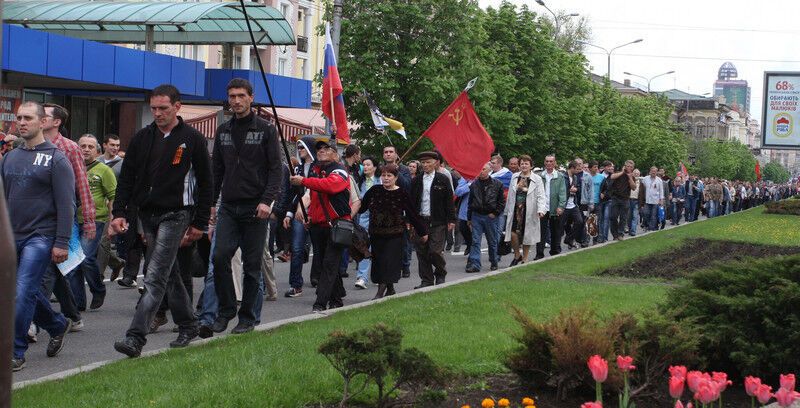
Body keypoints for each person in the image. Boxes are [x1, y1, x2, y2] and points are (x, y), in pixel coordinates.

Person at [110, 84, 213, 357]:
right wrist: (119, 212)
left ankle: (135, 338)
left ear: (177, 107)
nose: (157, 113)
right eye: (154, 108)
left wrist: (200, 223)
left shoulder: (193, 138)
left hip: (177, 213)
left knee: (155, 275)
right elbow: (127, 179)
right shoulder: (142, 138)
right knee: (170, 274)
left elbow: (207, 183)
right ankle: (189, 324)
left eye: (163, 108)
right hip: (147, 213)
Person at [3, 101, 75, 372]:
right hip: (11, 236)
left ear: (42, 122)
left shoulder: (56, 158)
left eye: (28, 118)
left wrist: (62, 242)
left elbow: (67, 204)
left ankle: (15, 351)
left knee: (21, 292)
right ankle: (57, 325)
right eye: (19, 117)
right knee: (24, 291)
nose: (21, 122)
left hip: (40, 237)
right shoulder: (10, 157)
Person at [209, 78, 282, 335]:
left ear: (251, 97)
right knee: (219, 258)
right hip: (228, 205)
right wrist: (210, 204)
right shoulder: (223, 131)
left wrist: (267, 201)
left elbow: (276, 170)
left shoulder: (266, 129)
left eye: (241, 96)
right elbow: (216, 171)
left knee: (252, 266)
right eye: (232, 96)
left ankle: (248, 318)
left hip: (256, 207)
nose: (236, 101)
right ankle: (226, 309)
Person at [289, 139, 351, 312]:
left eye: (326, 148)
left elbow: (331, 186)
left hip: (337, 225)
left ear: (335, 153)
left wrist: (304, 181)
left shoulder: (340, 171)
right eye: (319, 149)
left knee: (329, 264)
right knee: (327, 263)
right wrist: (311, 217)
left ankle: (320, 303)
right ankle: (337, 298)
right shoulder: (316, 172)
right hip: (318, 226)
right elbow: (316, 200)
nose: (322, 151)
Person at [359, 164, 428, 299]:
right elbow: (361, 207)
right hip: (376, 234)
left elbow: (413, 214)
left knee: (388, 262)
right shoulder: (374, 190)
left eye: (389, 175)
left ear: (396, 178)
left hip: (395, 235)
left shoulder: (401, 193)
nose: (385, 178)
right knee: (379, 262)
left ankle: (380, 292)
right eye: (383, 175)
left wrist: (422, 231)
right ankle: (390, 289)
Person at [66, 134, 116, 311]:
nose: (86, 149)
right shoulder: (70, 167)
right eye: (83, 146)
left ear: (97, 150)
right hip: (72, 220)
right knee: (73, 264)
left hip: (95, 220)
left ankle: (98, 289)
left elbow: (113, 197)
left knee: (86, 258)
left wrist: (112, 223)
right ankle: (78, 304)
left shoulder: (104, 170)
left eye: (90, 147)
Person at [410, 151, 455, 288]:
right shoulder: (416, 180)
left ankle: (440, 273)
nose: (425, 165)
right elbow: (411, 201)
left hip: (438, 221)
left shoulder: (443, 179)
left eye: (428, 162)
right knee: (421, 252)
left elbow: (449, 201)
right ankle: (426, 280)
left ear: (435, 163)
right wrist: (409, 220)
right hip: (420, 220)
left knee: (435, 251)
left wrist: (451, 220)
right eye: (423, 163)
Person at [282, 136, 317, 297]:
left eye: (302, 147)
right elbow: (293, 194)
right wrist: (289, 213)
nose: (300, 151)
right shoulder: (297, 169)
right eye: (299, 148)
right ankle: (295, 285)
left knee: (320, 249)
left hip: (316, 213)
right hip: (298, 213)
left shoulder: (319, 169)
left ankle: (322, 280)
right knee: (296, 248)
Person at [504, 155, 546, 266]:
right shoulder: (514, 177)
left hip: (529, 210)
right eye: (522, 163)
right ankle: (517, 254)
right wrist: (507, 210)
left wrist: (541, 209)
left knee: (527, 234)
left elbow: (541, 195)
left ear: (531, 166)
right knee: (512, 233)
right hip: (515, 209)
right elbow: (510, 195)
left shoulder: (537, 179)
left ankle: (525, 258)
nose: (524, 165)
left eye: (526, 163)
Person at [465, 162, 505, 273]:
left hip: (490, 216)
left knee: (492, 241)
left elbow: (501, 202)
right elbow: (470, 202)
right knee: (475, 241)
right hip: (477, 215)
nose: (481, 172)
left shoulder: (497, 184)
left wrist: (495, 213)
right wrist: (469, 218)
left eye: (483, 169)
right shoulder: (474, 184)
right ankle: (475, 264)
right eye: (479, 169)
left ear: (489, 170)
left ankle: (494, 260)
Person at [382, 144, 413, 278]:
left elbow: (407, 185)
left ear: (396, 155)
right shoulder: (380, 168)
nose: (388, 154)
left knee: (402, 240)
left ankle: (405, 265)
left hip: (400, 209)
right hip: (383, 209)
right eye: (386, 152)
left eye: (391, 152)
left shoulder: (404, 169)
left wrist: (396, 173)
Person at [354, 157, 380, 290]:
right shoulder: (359, 182)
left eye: (368, 164)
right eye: (363, 165)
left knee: (378, 247)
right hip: (363, 218)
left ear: (375, 167)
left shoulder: (381, 180)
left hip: (379, 218)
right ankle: (362, 277)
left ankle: (379, 275)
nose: (365, 167)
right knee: (365, 247)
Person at [535, 155, 566, 260]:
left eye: (551, 161)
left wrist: (561, 206)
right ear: (544, 162)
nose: (549, 163)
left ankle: (555, 252)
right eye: (547, 161)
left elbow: (562, 192)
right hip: (542, 208)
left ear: (554, 163)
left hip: (554, 207)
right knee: (541, 232)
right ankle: (539, 254)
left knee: (555, 231)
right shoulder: (539, 176)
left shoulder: (560, 176)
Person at [607, 160, 637, 240]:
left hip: (625, 199)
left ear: (633, 168)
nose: (629, 168)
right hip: (615, 198)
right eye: (628, 166)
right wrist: (622, 172)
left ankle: (620, 234)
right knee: (613, 217)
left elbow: (633, 187)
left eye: (631, 167)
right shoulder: (618, 173)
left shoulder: (632, 177)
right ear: (625, 166)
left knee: (623, 218)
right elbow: (612, 177)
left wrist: (630, 177)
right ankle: (615, 234)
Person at [562, 160, 586, 249]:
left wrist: (576, 189)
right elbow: (561, 190)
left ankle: (569, 238)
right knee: (561, 225)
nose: (578, 171)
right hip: (564, 204)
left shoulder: (575, 177)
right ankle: (556, 247)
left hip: (573, 204)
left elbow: (577, 188)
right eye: (577, 169)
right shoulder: (563, 177)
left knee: (579, 222)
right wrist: (569, 190)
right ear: (572, 168)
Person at [641, 166, 664, 231]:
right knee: (645, 213)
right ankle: (648, 225)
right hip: (647, 200)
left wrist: (661, 200)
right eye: (652, 171)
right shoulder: (645, 179)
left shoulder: (659, 180)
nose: (653, 172)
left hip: (655, 201)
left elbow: (661, 191)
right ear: (650, 172)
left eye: (655, 171)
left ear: (657, 172)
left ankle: (651, 229)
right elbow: (641, 187)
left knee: (653, 215)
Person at [627, 169, 641, 236]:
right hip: (629, 199)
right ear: (633, 174)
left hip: (636, 200)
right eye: (635, 173)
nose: (636, 174)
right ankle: (629, 229)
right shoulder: (629, 181)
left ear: (639, 174)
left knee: (635, 216)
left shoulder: (641, 183)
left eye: (637, 173)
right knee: (629, 216)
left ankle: (633, 231)